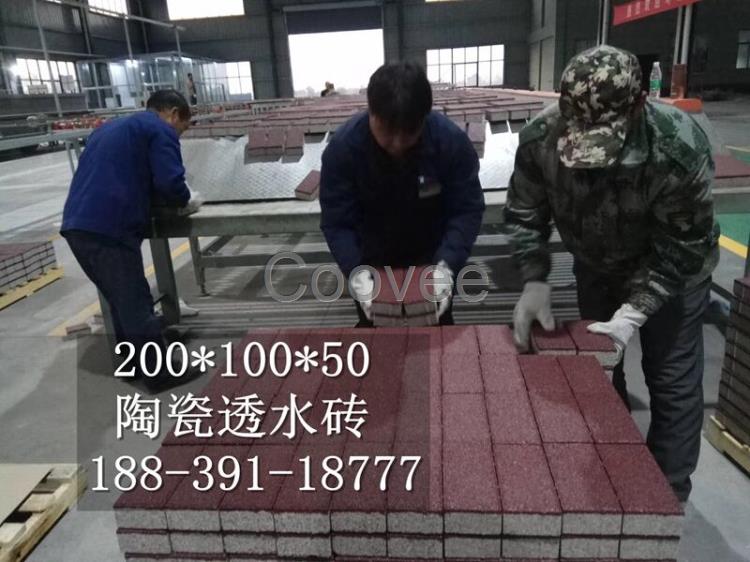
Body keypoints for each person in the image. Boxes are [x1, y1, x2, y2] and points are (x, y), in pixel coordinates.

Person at [505, 45, 719, 501]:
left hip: (671, 272)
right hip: (596, 265)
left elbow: (684, 246)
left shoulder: (677, 147)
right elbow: (525, 214)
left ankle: (665, 500)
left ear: (639, 103)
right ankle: (614, 473)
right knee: (599, 370)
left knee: (671, 381)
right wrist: (535, 280)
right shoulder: (541, 139)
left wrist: (634, 313)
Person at [320, 62, 486, 326]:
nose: (397, 144)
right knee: (378, 338)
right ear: (371, 112)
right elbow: (338, 221)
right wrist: (356, 271)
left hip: (433, 258)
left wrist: (447, 265)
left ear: (424, 117)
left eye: (409, 132)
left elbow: (466, 210)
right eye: (387, 132)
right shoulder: (343, 151)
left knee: (438, 336)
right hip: (372, 262)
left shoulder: (450, 144)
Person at [61, 89, 204, 392]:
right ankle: (159, 374)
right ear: (174, 114)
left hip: (77, 224)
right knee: (136, 302)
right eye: (182, 128)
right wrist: (186, 200)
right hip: (108, 228)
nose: (178, 134)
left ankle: (132, 364)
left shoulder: (109, 129)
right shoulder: (160, 129)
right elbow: (170, 183)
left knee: (120, 300)